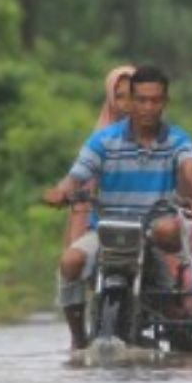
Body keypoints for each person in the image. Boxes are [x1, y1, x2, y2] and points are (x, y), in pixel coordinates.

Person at [44, 65, 192, 350]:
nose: (148, 107)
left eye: (155, 100)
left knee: (169, 228)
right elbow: (77, 175)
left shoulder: (177, 139)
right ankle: (77, 337)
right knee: (69, 261)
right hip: (107, 231)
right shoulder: (104, 140)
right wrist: (62, 192)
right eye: (141, 100)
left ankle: (169, 301)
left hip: (151, 233)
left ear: (165, 102)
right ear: (131, 102)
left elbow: (191, 166)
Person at [63, 65, 135, 247]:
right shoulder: (99, 140)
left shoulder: (158, 138)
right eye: (119, 96)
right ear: (111, 99)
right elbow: (84, 190)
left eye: (132, 95)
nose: (126, 103)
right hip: (103, 227)